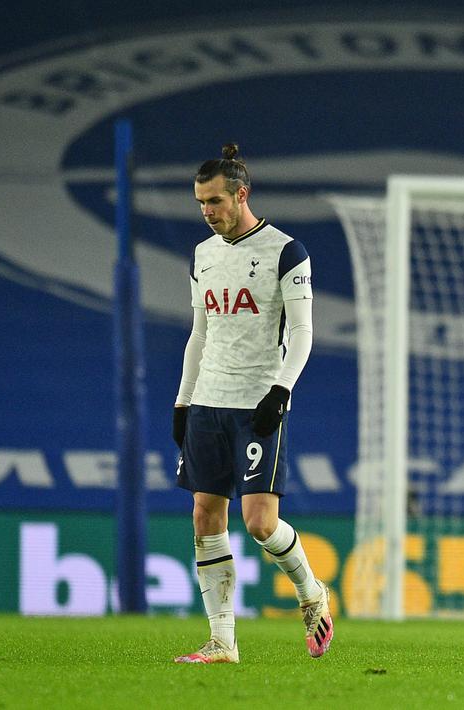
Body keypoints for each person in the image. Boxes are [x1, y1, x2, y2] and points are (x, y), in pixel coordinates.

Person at [171, 144, 332, 664]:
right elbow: (199, 335)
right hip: (207, 401)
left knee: (260, 523)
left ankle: (312, 592)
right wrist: (182, 401)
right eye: (201, 204)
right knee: (204, 515)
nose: (208, 212)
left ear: (242, 194)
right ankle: (222, 641)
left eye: (215, 201)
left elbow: (304, 333)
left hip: (257, 402)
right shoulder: (202, 255)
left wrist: (281, 390)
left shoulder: (288, 252)